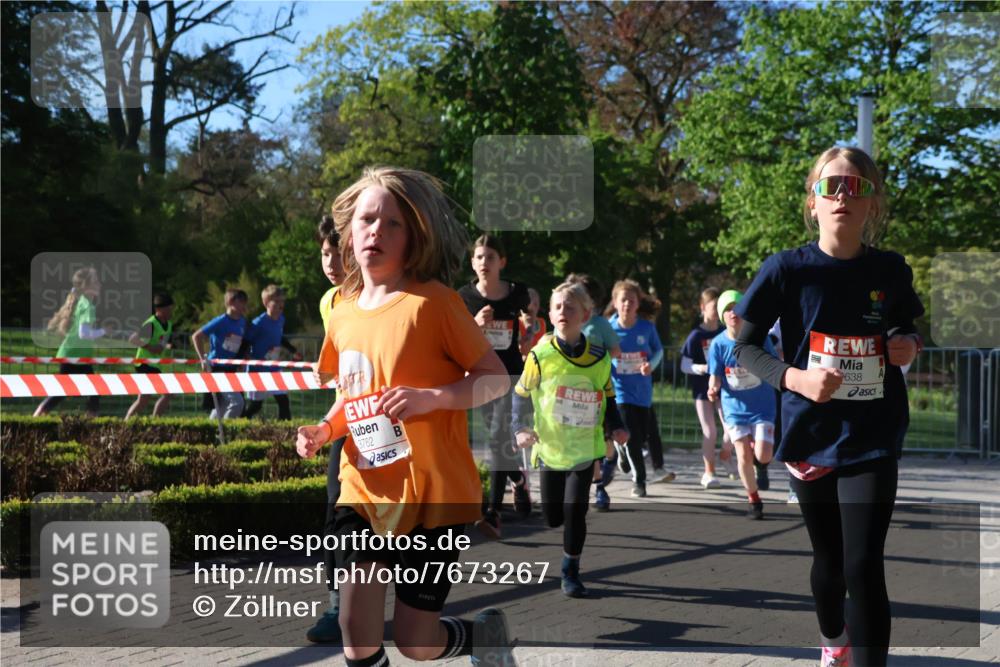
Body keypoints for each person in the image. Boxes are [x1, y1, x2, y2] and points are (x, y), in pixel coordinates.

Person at [295, 167, 517, 666]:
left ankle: (483, 637)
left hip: (432, 494)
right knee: (356, 631)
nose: (376, 230)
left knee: (417, 643)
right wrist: (324, 429)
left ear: (413, 237)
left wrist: (431, 397)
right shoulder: (343, 311)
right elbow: (352, 393)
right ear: (349, 232)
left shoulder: (433, 303)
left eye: (392, 223)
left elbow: (494, 378)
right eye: (367, 219)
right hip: (363, 488)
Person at [733, 147, 923, 667]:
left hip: (873, 432)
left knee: (864, 566)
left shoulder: (889, 269)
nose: (843, 196)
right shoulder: (786, 270)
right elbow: (744, 347)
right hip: (810, 433)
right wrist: (796, 377)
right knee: (831, 564)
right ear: (813, 201)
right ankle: (832, 635)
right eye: (831, 186)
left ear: (872, 203)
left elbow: (907, 327)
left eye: (855, 187)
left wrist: (907, 342)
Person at [512, 280, 627, 597]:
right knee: (552, 517)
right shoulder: (540, 355)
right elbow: (520, 396)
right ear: (550, 313)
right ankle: (564, 543)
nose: (564, 311)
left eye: (571, 307)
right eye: (558, 306)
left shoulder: (600, 358)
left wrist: (616, 426)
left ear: (586, 315)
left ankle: (570, 570)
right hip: (550, 448)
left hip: (584, 449)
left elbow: (608, 397)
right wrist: (520, 428)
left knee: (576, 510)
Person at [458, 234, 533, 539]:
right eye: (479, 258)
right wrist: (474, 325)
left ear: (502, 262)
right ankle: (519, 480)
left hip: (513, 376)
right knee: (499, 441)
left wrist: (529, 335)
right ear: (472, 263)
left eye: (490, 257)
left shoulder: (517, 293)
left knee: (496, 439)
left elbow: (535, 315)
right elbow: (455, 336)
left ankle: (493, 512)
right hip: (481, 376)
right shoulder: (464, 297)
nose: (484, 263)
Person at [306, 214, 349, 644]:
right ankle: (337, 605)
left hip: (394, 422)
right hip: (346, 419)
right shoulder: (327, 302)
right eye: (324, 254)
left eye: (339, 254)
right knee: (335, 510)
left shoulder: (384, 295)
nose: (331, 262)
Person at [707, 289, 776, 519]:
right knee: (743, 455)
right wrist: (713, 387)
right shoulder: (718, 344)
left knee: (764, 453)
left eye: (736, 307)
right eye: (727, 309)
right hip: (735, 409)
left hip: (762, 406)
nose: (732, 312)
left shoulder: (760, 337)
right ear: (721, 315)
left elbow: (774, 363)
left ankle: (762, 465)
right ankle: (754, 500)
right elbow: (715, 375)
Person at [607, 279, 674, 498]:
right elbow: (600, 355)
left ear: (638, 304)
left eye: (631, 300)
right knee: (633, 437)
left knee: (641, 436)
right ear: (615, 303)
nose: (627, 304)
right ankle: (640, 481)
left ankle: (621, 450)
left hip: (643, 393)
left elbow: (658, 351)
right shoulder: (609, 328)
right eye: (623, 300)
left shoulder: (646, 327)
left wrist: (650, 365)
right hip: (619, 392)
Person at [565, 273, 620, 511]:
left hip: (599, 390)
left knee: (602, 442)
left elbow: (616, 351)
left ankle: (609, 462)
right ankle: (597, 488)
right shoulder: (566, 322)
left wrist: (596, 361)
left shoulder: (599, 324)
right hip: (571, 393)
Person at [679, 287, 737, 489]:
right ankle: (709, 472)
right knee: (710, 431)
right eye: (714, 306)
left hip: (725, 389)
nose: (717, 310)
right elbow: (684, 365)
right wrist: (703, 368)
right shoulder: (696, 335)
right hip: (703, 390)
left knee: (730, 430)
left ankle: (725, 454)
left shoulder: (725, 332)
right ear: (703, 308)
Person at [35, 266, 104, 417]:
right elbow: (83, 333)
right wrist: (104, 331)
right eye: (96, 281)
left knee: (91, 393)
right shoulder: (87, 305)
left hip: (76, 356)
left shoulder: (83, 302)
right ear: (86, 286)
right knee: (86, 392)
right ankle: (35, 420)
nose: (99, 284)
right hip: (74, 356)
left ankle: (89, 428)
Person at [242, 285, 302, 421]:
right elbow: (246, 341)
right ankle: (239, 424)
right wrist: (244, 357)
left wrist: (293, 350)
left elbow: (279, 337)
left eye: (282, 302)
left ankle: (285, 431)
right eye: (277, 302)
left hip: (274, 368)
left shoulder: (281, 320)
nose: (281, 305)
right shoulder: (258, 323)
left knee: (283, 401)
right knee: (256, 406)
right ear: (266, 303)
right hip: (258, 369)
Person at [191, 288, 248, 419]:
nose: (244, 305)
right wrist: (202, 360)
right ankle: (225, 434)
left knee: (221, 405)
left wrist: (242, 360)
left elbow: (243, 344)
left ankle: (209, 433)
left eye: (245, 302)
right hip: (217, 368)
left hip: (231, 369)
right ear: (230, 302)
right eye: (241, 302)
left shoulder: (243, 322)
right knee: (237, 403)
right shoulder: (221, 321)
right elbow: (196, 336)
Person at [125, 292, 175, 419]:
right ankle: (131, 424)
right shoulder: (151, 323)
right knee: (161, 394)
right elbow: (133, 339)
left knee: (147, 398)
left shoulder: (168, 324)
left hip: (155, 365)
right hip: (144, 364)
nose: (171, 312)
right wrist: (151, 348)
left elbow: (161, 341)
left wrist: (165, 346)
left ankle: (150, 422)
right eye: (169, 309)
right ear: (160, 309)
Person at [518, 287, 546, 358]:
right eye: (527, 302)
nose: (530, 307)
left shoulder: (542, 323)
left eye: (535, 304)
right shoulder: (517, 323)